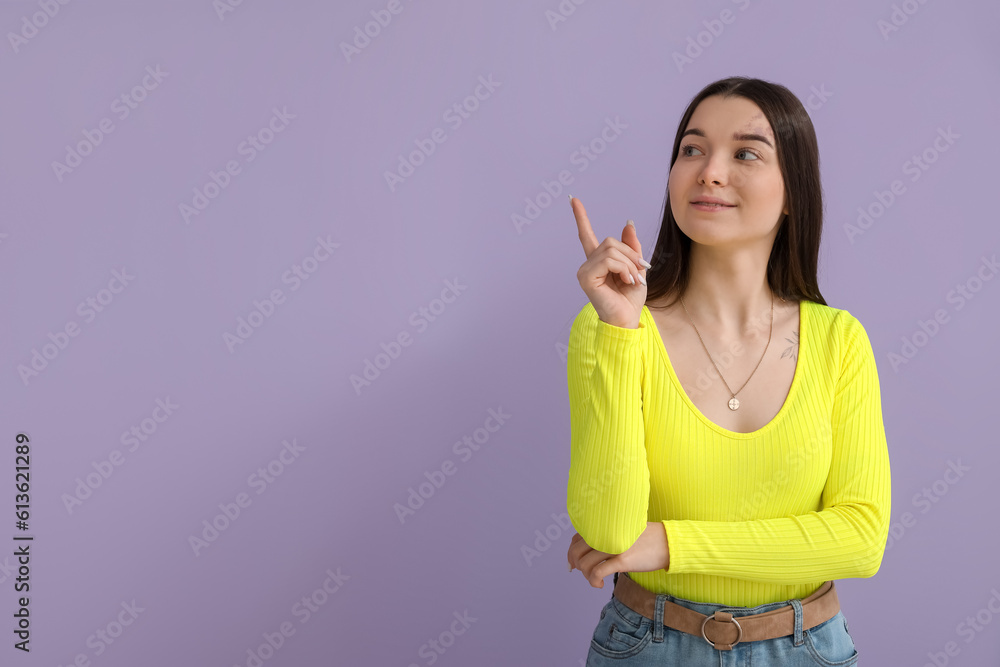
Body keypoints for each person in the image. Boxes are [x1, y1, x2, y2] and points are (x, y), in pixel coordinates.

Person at [564, 76, 890, 665]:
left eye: (745, 153)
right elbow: (611, 533)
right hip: (649, 646)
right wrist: (619, 330)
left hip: (806, 649)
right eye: (692, 149)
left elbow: (861, 539)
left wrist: (667, 543)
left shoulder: (839, 340)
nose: (709, 171)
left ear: (793, 192)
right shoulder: (608, 330)